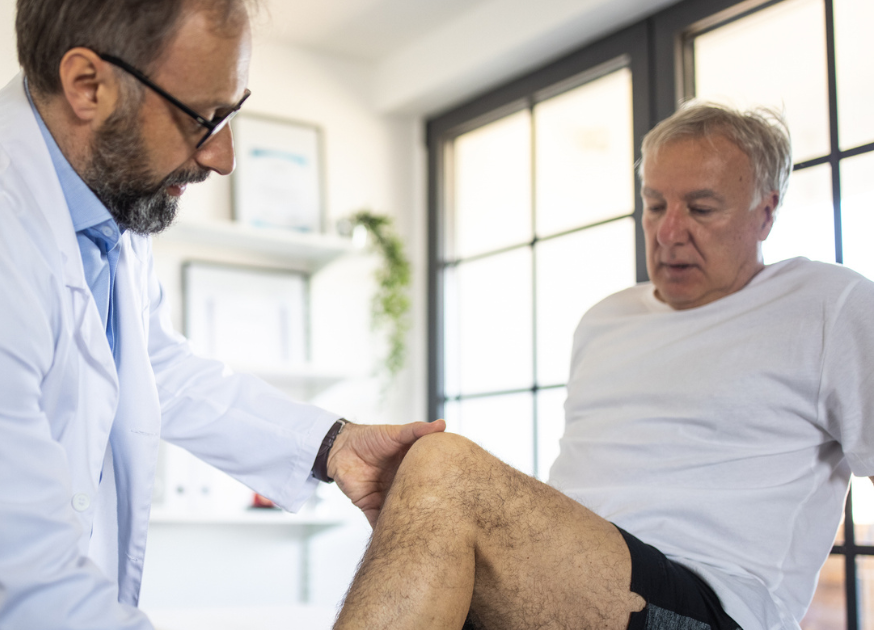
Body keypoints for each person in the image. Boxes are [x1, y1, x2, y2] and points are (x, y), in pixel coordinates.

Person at [0, 1, 443, 629]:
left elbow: (156, 368)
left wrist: (332, 445)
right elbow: (32, 584)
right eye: (206, 117)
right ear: (88, 85)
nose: (222, 156)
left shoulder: (99, 212)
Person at [334, 103, 874, 630]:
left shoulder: (829, 304)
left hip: (711, 600)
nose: (668, 232)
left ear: (766, 211)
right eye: (656, 204)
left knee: (442, 465)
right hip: (580, 577)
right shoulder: (605, 319)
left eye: (702, 208)